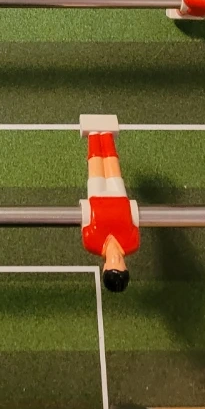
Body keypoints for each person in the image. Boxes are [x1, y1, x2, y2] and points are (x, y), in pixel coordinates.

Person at [79, 117, 139, 291]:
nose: (116, 260)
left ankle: (93, 136)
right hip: (119, 197)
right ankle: (106, 136)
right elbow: (133, 220)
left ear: (104, 268)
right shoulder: (132, 243)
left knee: (96, 165)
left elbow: (86, 223)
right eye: (120, 266)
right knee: (112, 165)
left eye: (113, 266)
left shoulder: (92, 243)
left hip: (97, 198)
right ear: (126, 267)